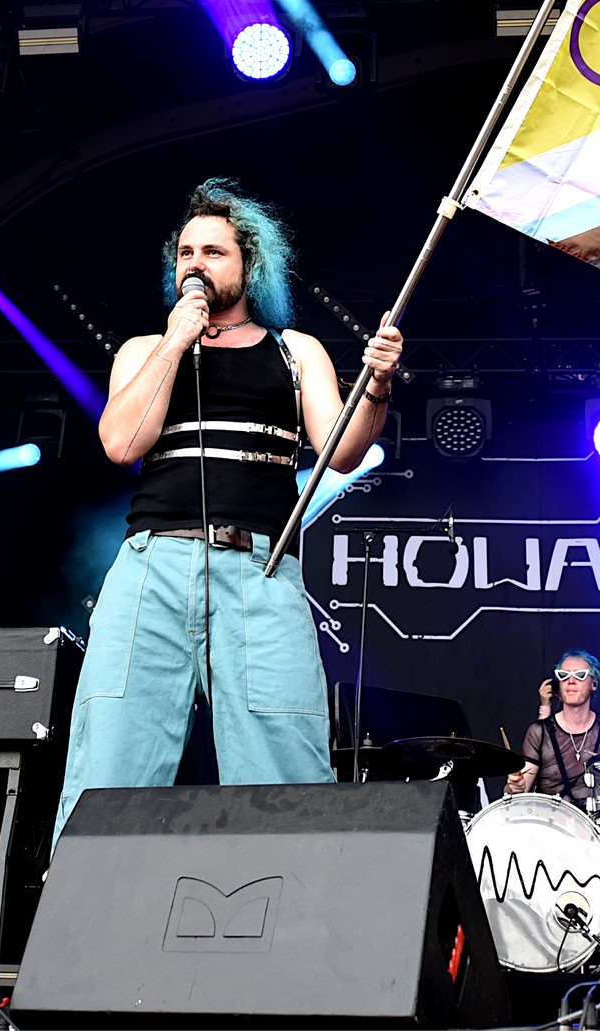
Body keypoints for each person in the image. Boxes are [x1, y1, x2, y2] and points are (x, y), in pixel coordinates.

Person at [51, 177, 403, 850]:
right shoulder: (143, 350)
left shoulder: (295, 351)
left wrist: (378, 386)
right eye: (185, 252)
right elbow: (121, 443)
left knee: (284, 761)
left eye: (213, 252)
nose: (195, 263)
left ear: (250, 264)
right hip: (151, 566)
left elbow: (343, 451)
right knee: (112, 755)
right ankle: (90, 907)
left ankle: (289, 905)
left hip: (258, 571)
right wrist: (176, 339)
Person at [503, 650, 600, 814]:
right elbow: (519, 790)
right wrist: (514, 787)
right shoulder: (539, 732)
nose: (571, 681)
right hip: (552, 824)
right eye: (563, 675)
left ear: (594, 684)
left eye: (580, 675)